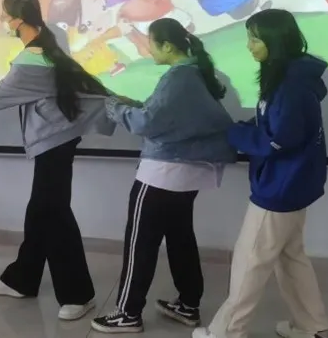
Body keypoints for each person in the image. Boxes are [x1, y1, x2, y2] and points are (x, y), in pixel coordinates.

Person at [0, 0, 113, 322]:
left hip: (54, 141)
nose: (2, 20)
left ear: (17, 19)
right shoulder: (47, 44)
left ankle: (79, 294)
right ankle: (22, 279)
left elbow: (2, 92)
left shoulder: (32, 60)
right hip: (57, 140)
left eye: (5, 14)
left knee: (54, 214)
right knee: (40, 212)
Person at [194, 9, 328, 338]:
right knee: (291, 257)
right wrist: (243, 129)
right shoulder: (289, 77)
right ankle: (314, 327)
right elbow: (271, 125)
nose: (249, 46)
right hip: (294, 183)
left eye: (255, 39)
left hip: (280, 187)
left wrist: (233, 133)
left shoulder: (290, 86)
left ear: (275, 40)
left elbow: (278, 139)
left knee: (250, 262)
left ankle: (227, 332)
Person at [91, 18, 236, 334]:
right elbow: (166, 115)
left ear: (167, 46)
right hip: (185, 172)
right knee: (180, 237)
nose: (146, 47)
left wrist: (116, 108)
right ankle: (188, 304)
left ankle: (127, 313)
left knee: (140, 241)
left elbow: (148, 123)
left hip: (164, 173)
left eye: (150, 41)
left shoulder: (178, 78)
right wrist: (135, 105)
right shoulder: (192, 73)